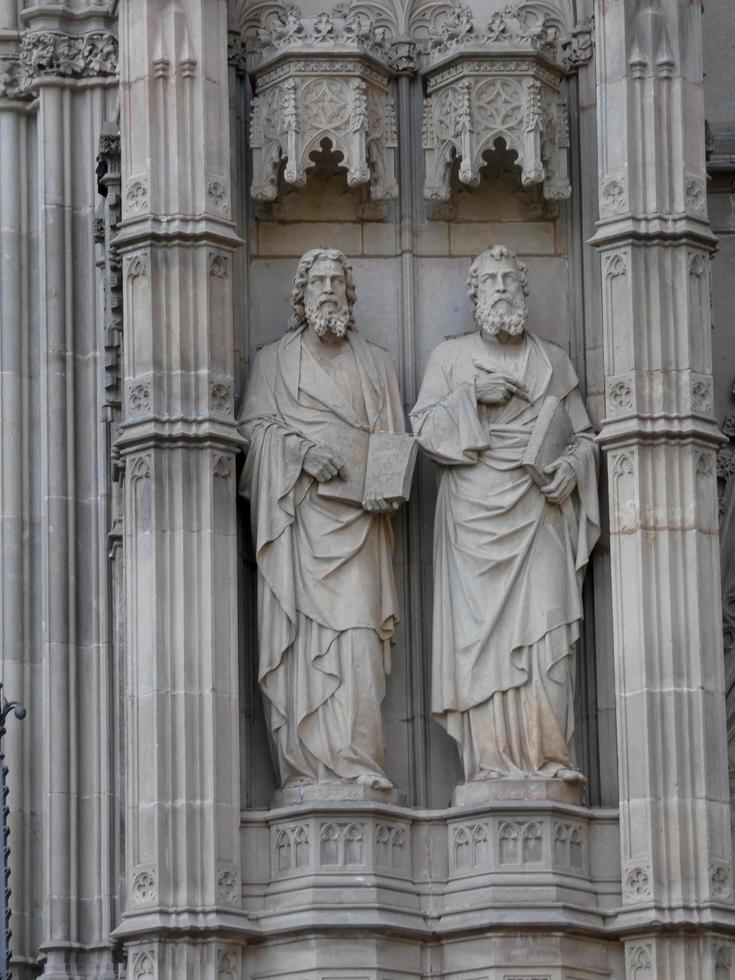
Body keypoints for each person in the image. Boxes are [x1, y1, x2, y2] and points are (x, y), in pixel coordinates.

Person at [411, 245, 599, 784]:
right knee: (483, 647)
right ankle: (490, 766)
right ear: (474, 296)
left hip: (539, 512)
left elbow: (585, 437)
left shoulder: (552, 360)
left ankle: (548, 760)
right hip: (473, 517)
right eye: (488, 280)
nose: (499, 288)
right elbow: (423, 430)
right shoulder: (450, 360)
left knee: (546, 638)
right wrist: (473, 395)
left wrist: (572, 467)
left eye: (509, 279)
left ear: (524, 290)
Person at [239, 247, 405, 792]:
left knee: (357, 645)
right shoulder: (274, 363)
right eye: (318, 282)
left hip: (357, 533)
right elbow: (252, 437)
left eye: (338, 281)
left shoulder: (376, 364)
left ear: (349, 296)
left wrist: (386, 485)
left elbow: (393, 445)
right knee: (304, 650)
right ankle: (307, 771)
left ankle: (356, 763)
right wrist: (300, 455)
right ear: (301, 296)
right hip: (301, 530)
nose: (329, 290)